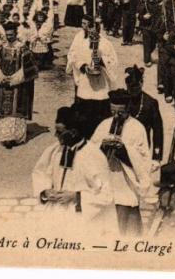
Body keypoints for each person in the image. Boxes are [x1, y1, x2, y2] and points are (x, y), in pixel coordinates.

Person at [32, 106, 117, 233]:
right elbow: (40, 172)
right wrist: (44, 192)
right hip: (54, 214)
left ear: (73, 132)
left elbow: (105, 194)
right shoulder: (54, 150)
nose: (55, 135)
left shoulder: (94, 156)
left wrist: (76, 197)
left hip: (81, 218)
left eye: (60, 132)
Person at [91, 89, 151, 235]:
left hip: (126, 183)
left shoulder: (137, 128)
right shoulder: (104, 125)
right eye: (113, 112)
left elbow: (144, 161)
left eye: (121, 113)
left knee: (126, 228)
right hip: (107, 180)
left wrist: (125, 151)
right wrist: (102, 148)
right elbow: (91, 153)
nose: (116, 117)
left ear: (128, 109)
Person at [66, 14, 120, 138]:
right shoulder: (83, 42)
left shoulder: (105, 44)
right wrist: (83, 66)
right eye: (89, 29)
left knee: (100, 115)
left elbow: (114, 61)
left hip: (101, 85)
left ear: (98, 29)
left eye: (94, 29)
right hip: (86, 83)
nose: (91, 31)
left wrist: (101, 61)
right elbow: (75, 57)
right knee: (84, 114)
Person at [0, 22, 38, 148]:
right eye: (7, 35)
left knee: (15, 109)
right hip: (2, 83)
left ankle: (13, 137)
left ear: (16, 34)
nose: (9, 37)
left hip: (18, 84)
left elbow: (27, 68)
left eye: (11, 35)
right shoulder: (1, 47)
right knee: (2, 109)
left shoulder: (23, 48)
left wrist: (14, 79)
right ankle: (2, 135)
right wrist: (0, 77)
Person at [124, 65, 164, 162]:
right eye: (130, 87)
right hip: (123, 147)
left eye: (135, 86)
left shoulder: (150, 103)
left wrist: (156, 157)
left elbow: (157, 131)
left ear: (141, 83)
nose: (133, 90)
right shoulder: (122, 99)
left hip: (142, 148)